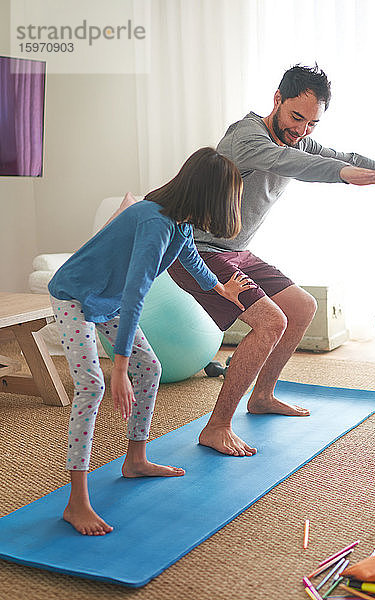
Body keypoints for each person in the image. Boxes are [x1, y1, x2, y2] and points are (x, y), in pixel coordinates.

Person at [165, 64, 375, 458]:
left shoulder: (300, 139)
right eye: (296, 117)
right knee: (270, 322)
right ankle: (217, 426)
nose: (303, 130)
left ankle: (263, 396)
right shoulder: (247, 137)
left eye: (312, 122)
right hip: (197, 249)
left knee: (301, 307)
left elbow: (343, 154)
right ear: (277, 99)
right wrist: (344, 174)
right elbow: (292, 164)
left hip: (235, 250)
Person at [48, 147, 254, 536]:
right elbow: (136, 293)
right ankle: (76, 502)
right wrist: (119, 367)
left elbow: (190, 257)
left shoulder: (180, 223)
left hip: (106, 298)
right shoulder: (154, 221)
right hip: (73, 294)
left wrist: (220, 288)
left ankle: (136, 460)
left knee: (152, 368)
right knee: (92, 386)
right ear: (209, 195)